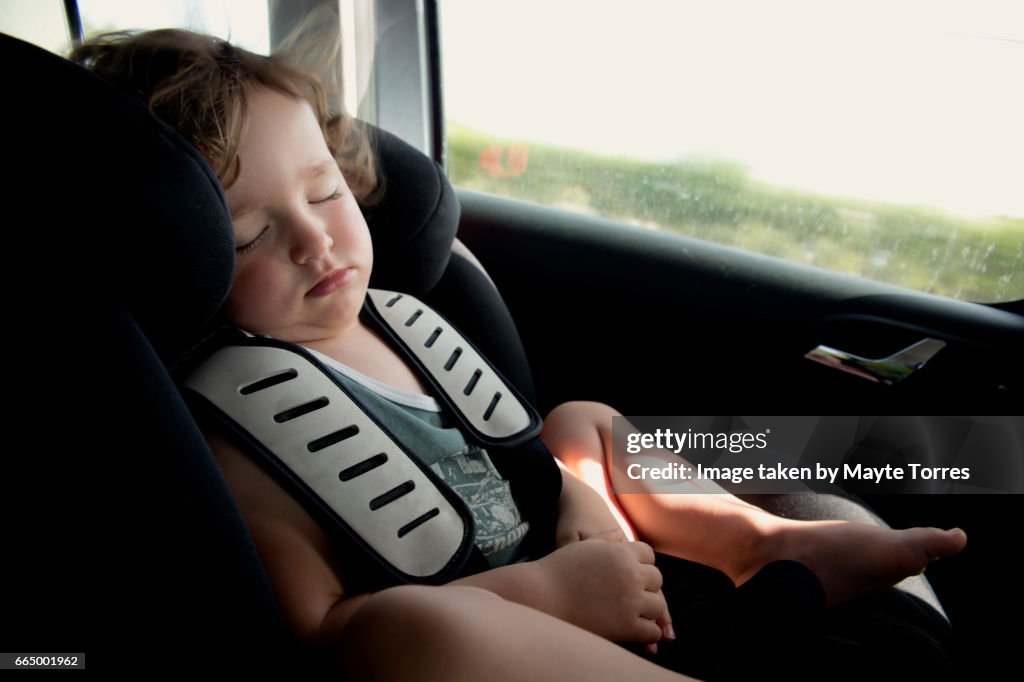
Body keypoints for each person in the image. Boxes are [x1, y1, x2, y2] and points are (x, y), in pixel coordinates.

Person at [72, 29, 967, 681]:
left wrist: (574, 489)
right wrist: (546, 596)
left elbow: (520, 459)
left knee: (581, 423)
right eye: (254, 234)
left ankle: (755, 544)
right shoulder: (234, 435)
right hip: (514, 634)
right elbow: (328, 640)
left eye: (326, 190)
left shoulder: (401, 319)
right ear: (175, 257)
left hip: (612, 581)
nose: (316, 243)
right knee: (412, 635)